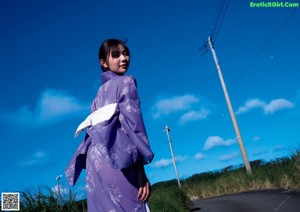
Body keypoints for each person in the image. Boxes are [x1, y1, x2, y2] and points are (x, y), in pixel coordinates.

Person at [65, 38, 154, 212]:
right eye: (116, 55)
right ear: (103, 63)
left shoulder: (97, 97)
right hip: (117, 158)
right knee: (134, 205)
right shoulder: (127, 82)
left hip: (94, 160)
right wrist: (141, 172)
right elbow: (133, 127)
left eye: (126, 53)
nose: (123, 58)